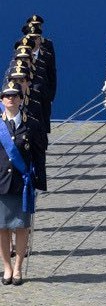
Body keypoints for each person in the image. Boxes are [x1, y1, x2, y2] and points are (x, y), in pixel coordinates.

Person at [0, 81, 46, 286]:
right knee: (2, 228)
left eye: (15, 95)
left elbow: (38, 155)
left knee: (21, 226)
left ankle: (18, 267)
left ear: (21, 99)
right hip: (1, 183)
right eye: (7, 96)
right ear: (2, 100)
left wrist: (39, 183)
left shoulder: (32, 124)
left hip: (22, 184)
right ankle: (7, 267)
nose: (11, 98)